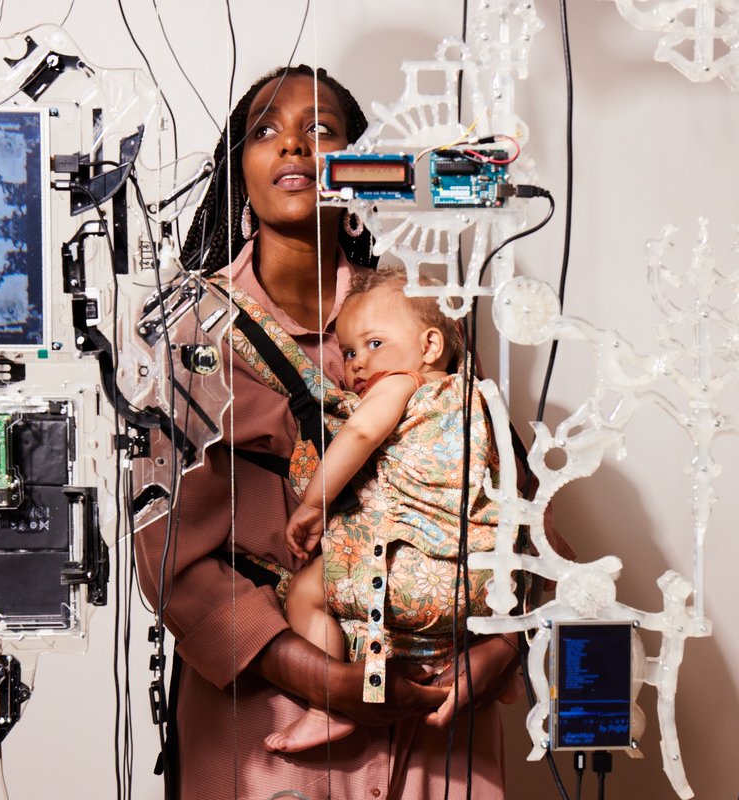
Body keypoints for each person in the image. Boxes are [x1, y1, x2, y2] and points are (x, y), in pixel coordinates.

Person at [134, 65, 521, 799]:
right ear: (237, 170)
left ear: (359, 172)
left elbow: (519, 508)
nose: (294, 148)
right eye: (266, 131)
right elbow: (170, 561)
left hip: (438, 704)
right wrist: (332, 685)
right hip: (268, 719)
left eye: (322, 131)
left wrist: (499, 650)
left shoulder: (419, 313)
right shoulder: (182, 332)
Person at [265, 267, 503, 755]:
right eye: (349, 352)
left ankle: (327, 709)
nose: (356, 365)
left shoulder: (400, 383)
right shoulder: (479, 400)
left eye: (373, 344)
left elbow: (359, 434)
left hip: (408, 577)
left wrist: (314, 503)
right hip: (479, 586)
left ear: (430, 346)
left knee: (306, 591)